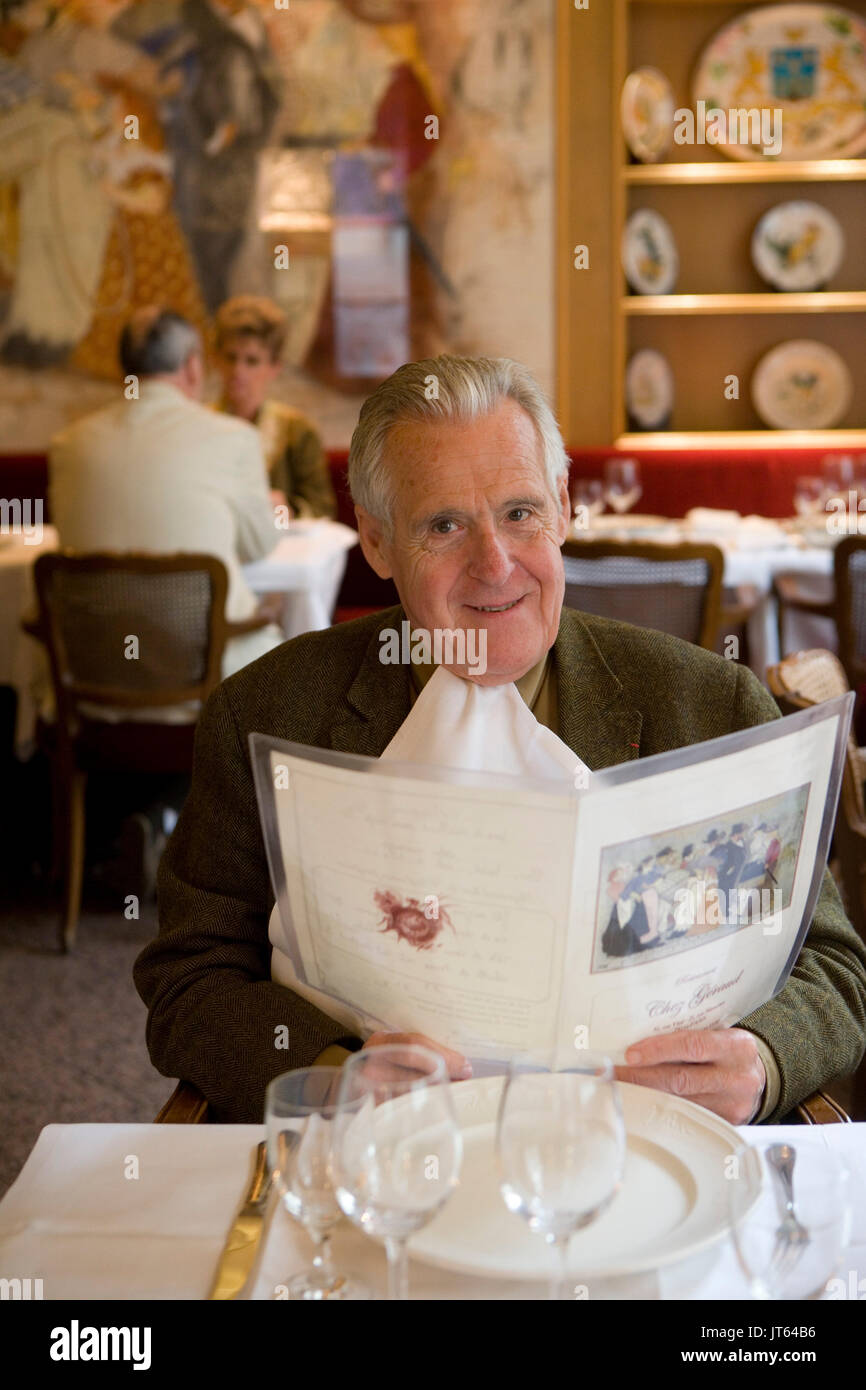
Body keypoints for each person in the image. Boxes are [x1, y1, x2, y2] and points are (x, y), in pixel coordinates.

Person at [134, 354, 866, 1127]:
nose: (495, 563)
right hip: (383, 1162)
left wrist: (762, 1060)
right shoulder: (267, 714)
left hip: (649, 1157)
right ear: (378, 544)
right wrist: (330, 1073)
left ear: (563, 508)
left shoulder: (710, 704)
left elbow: (833, 966)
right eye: (444, 525)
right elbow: (192, 979)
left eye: (520, 513)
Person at [49, 307, 283, 680]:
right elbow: (258, 546)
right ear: (193, 367)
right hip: (209, 685)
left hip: (94, 682)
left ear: (125, 370)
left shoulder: (68, 446)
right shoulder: (233, 438)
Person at [214, 295, 337, 520]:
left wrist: (286, 509)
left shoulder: (297, 431)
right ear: (217, 359)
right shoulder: (200, 424)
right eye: (231, 358)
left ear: (274, 367)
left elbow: (322, 509)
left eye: (252, 361)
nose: (238, 371)